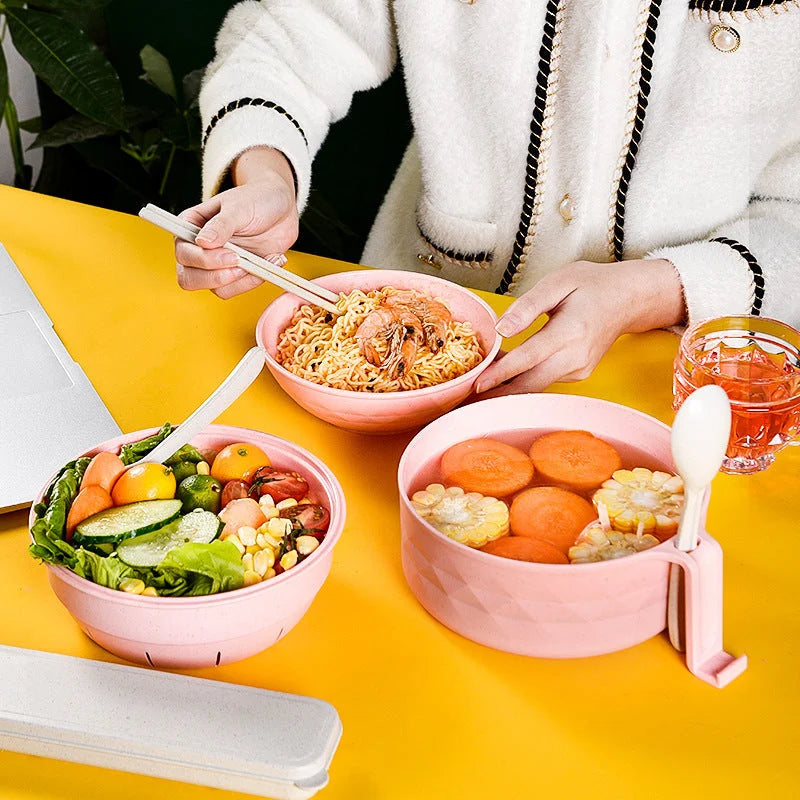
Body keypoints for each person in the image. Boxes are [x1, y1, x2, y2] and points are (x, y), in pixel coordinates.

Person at [174, 0, 800, 396]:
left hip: (678, 371)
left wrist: (649, 292)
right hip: (401, 345)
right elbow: (287, 38)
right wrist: (263, 177)